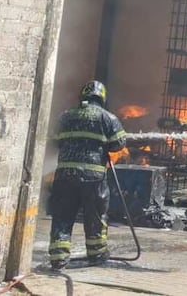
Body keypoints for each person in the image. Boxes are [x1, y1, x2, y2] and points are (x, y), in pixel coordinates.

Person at [48, 80, 126, 270]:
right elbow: (119, 143)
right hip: (94, 177)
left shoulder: (65, 116)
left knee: (62, 216)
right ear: (102, 98)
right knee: (95, 216)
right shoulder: (107, 118)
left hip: (65, 175)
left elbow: (54, 140)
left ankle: (59, 258)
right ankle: (97, 255)